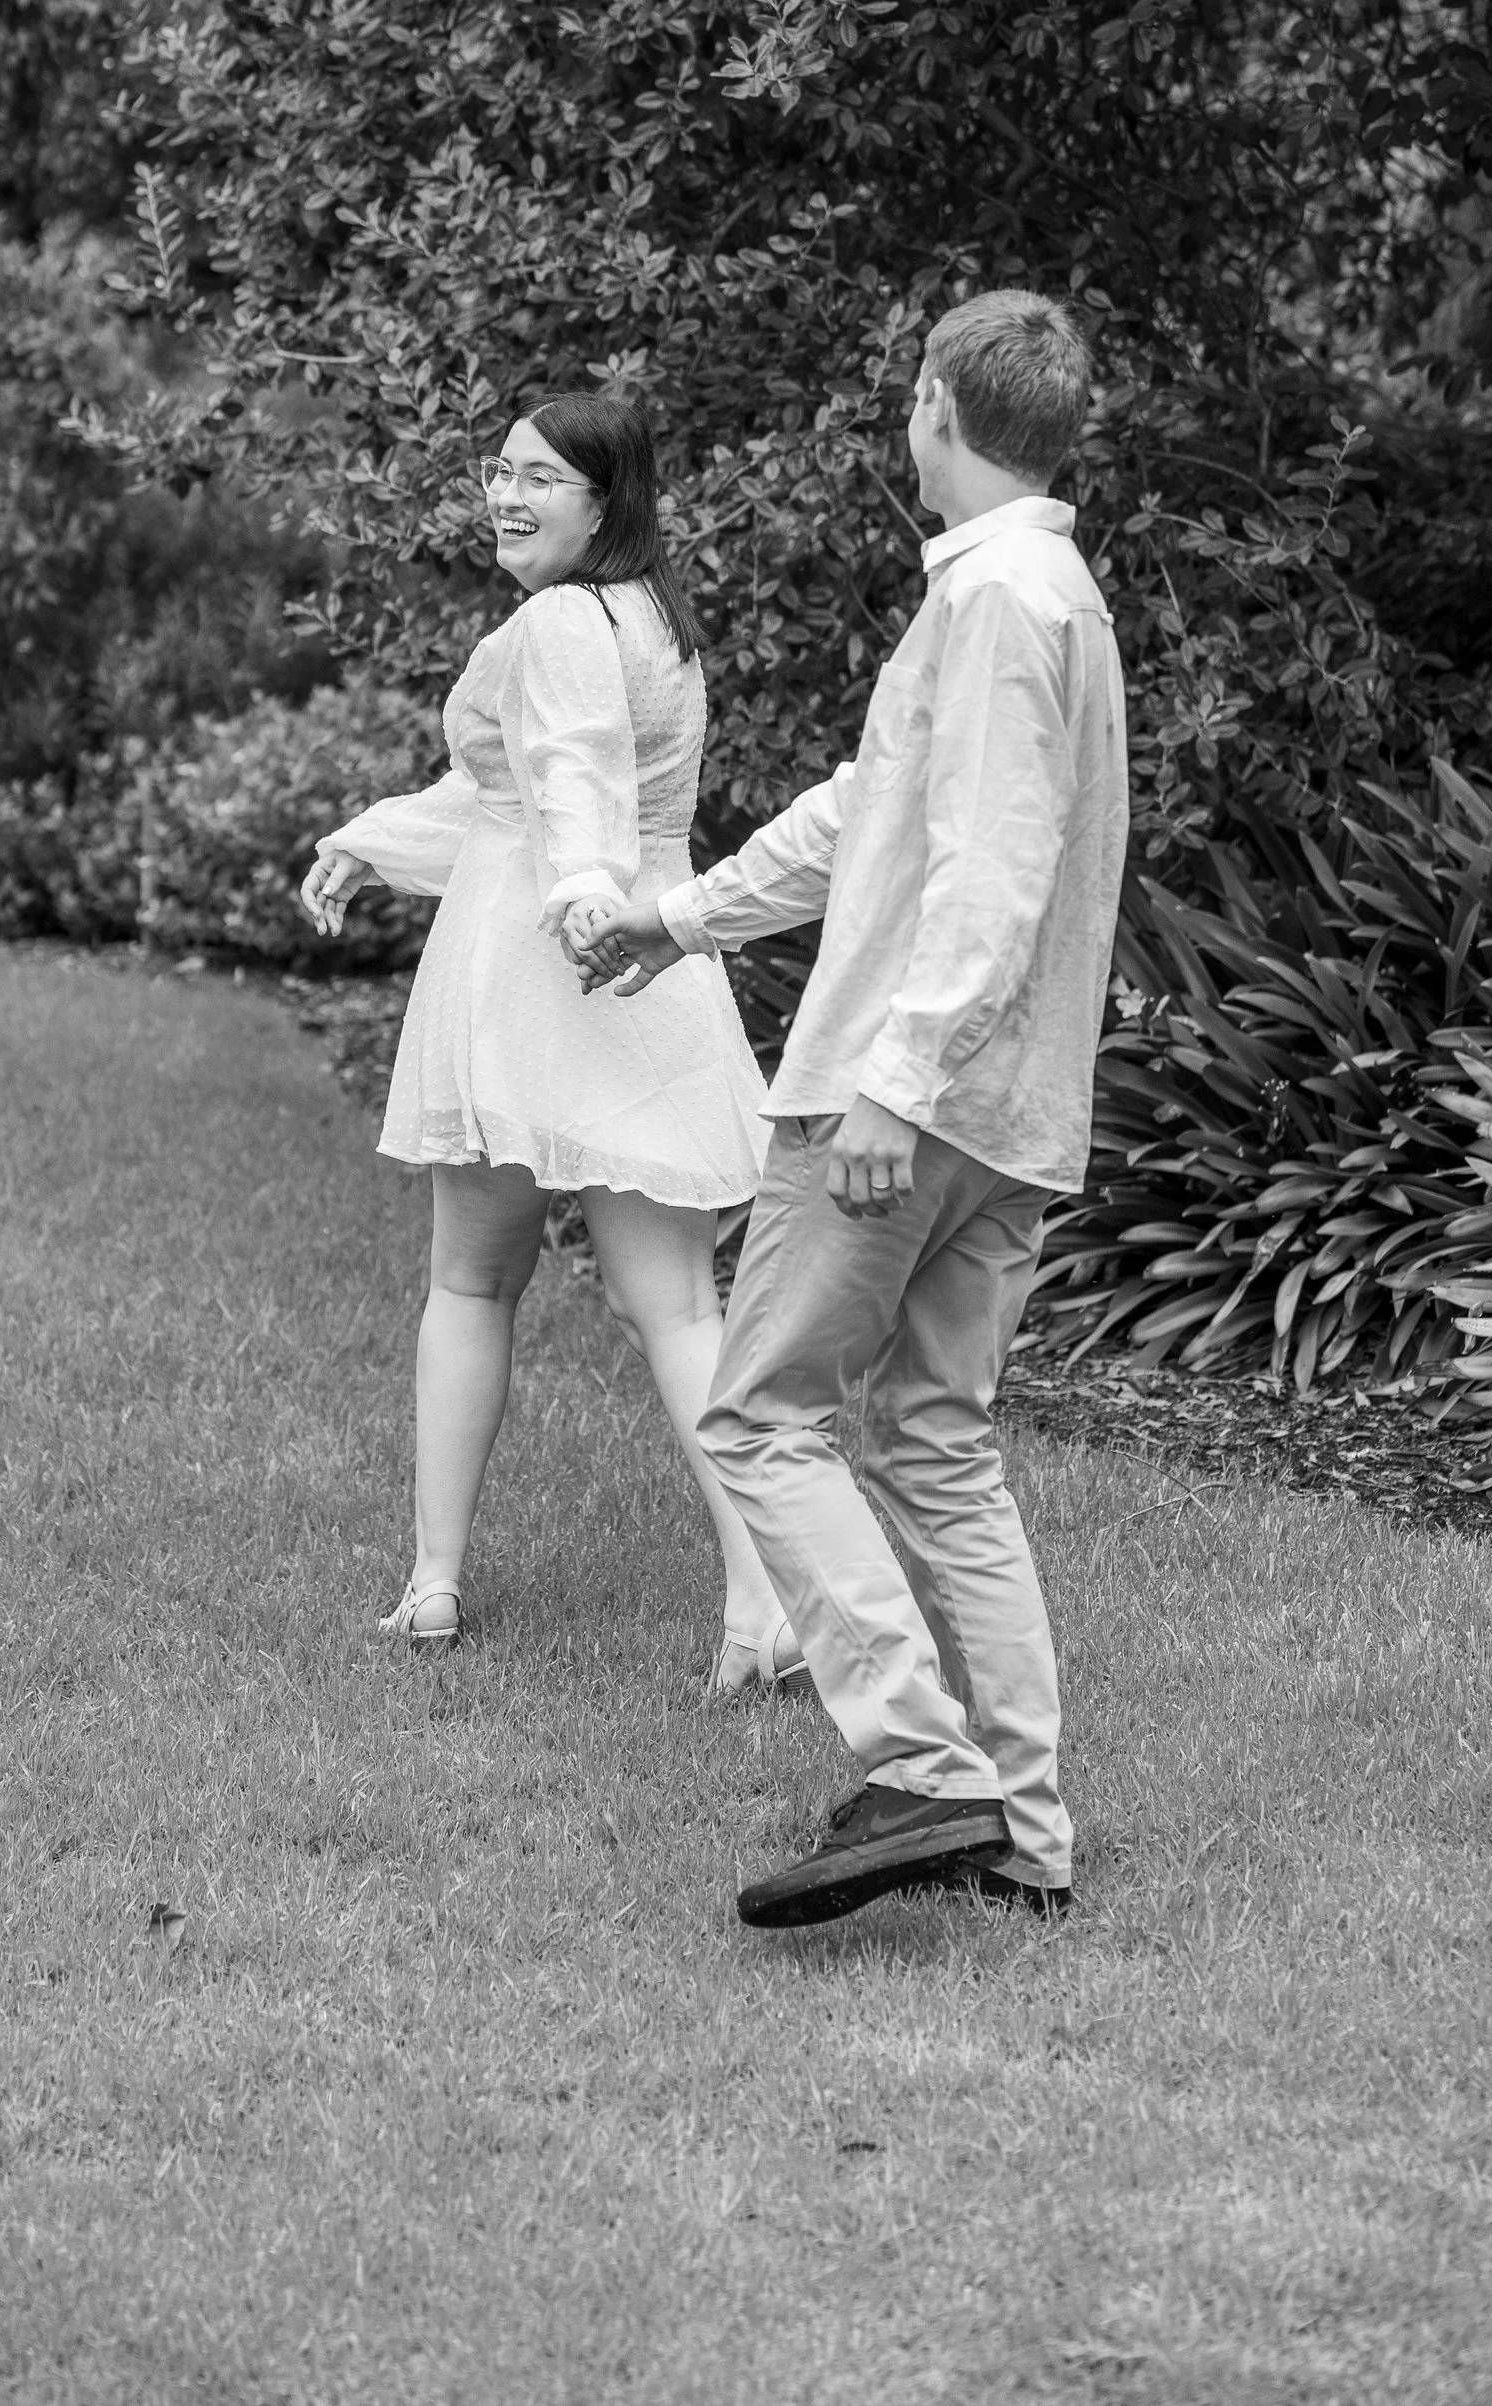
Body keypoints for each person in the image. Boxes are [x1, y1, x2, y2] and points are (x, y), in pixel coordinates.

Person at [567, 292, 1128, 1927]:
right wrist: (670, 919)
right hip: (1008, 1111)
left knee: (758, 1412)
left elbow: (996, 868)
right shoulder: (1033, 594)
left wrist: (896, 1075)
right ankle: (1024, 1834)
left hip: (909, 1096)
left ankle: (926, 1767)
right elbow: (867, 819)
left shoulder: (1004, 602)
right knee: (936, 1441)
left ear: (937, 405)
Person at [299, 392, 796, 1693]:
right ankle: (761, 1594)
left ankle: (434, 1577)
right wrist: (367, 838)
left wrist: (582, 901)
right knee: (680, 1305)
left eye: (538, 478)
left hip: (550, 964)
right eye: (500, 473)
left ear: (604, 497)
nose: (506, 496)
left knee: (472, 1282)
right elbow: (500, 790)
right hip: (645, 965)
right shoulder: (658, 623)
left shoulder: (565, 620)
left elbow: (571, 785)